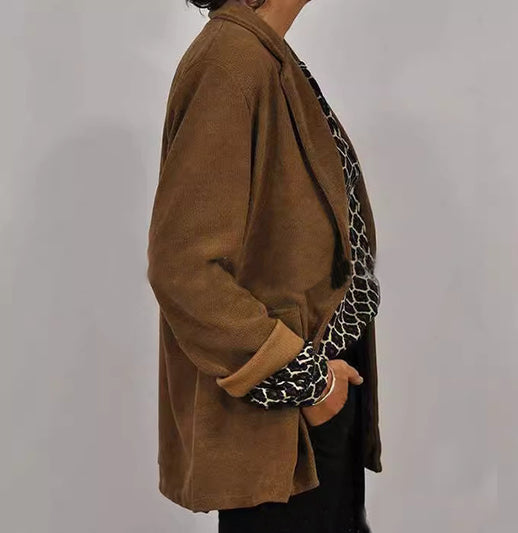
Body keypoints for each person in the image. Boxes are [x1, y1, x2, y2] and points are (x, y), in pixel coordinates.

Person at [146, 1, 383, 531]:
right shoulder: (229, 62)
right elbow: (183, 269)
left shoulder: (265, 54)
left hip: (312, 410)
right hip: (286, 421)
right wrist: (306, 381)